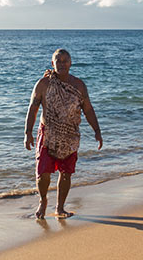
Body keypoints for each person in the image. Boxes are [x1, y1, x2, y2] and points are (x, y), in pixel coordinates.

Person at [24, 49, 103, 219]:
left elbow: (88, 109)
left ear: (71, 63)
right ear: (52, 63)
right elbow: (33, 108)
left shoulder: (79, 86)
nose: (61, 63)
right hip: (48, 134)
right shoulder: (43, 84)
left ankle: (60, 208)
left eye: (65, 60)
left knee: (66, 173)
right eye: (58, 60)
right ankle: (43, 200)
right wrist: (28, 132)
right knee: (43, 173)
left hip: (70, 135)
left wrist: (97, 131)